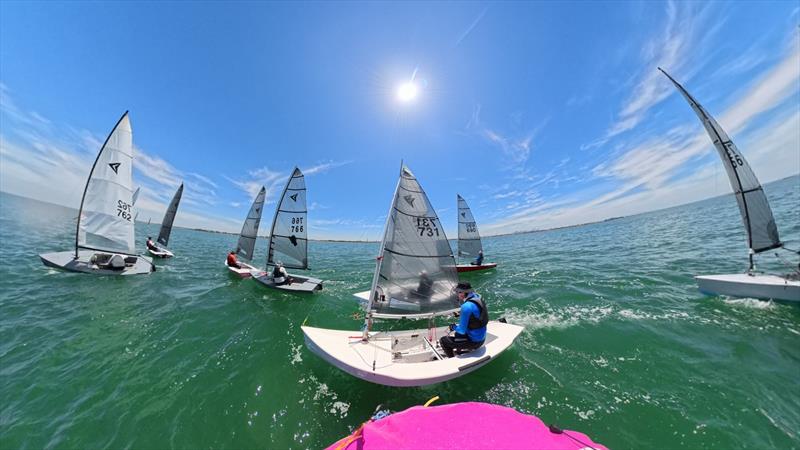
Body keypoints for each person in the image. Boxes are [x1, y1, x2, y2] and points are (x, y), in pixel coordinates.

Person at [439, 282, 488, 358]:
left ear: (462, 293)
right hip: (483, 337)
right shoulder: (478, 297)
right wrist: (460, 314)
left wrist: (453, 327)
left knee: (444, 340)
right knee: (457, 334)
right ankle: (459, 351)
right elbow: (475, 312)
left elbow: (462, 330)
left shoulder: (466, 307)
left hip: (475, 342)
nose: (457, 295)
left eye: (458, 292)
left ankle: (451, 359)